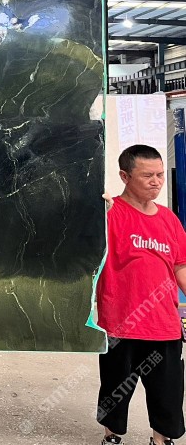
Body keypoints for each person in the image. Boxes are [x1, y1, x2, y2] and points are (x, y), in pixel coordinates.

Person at [97, 144, 186, 445]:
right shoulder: (109, 215)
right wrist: (92, 210)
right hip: (120, 323)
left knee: (168, 392)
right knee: (115, 389)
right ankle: (112, 436)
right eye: (147, 176)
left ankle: (161, 440)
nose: (156, 182)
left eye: (160, 175)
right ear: (125, 176)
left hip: (164, 325)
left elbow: (180, 266)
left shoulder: (169, 220)